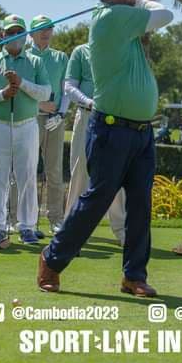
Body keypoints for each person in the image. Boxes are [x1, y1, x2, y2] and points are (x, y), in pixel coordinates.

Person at [38, 0, 173, 297]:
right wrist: (142, 3)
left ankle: (133, 276)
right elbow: (165, 14)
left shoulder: (121, 19)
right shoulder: (111, 17)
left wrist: (135, 1)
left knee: (139, 205)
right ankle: (51, 260)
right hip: (112, 129)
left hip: (140, 132)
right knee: (96, 200)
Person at [0, 14, 51, 245]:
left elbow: (45, 92)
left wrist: (21, 83)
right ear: (3, 35)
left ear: (26, 35)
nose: (14, 36)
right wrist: (3, 94)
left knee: (27, 176)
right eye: (10, 32)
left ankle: (27, 227)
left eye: (19, 32)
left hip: (26, 125)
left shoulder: (35, 62)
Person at [64, 42, 126, 245]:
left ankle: (121, 229)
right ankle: (72, 229)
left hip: (116, 118)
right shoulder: (81, 52)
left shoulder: (120, 49)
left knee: (116, 173)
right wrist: (88, 101)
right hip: (87, 115)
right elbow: (69, 87)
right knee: (80, 172)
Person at [26, 15, 69, 233]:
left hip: (55, 120)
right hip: (30, 118)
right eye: (41, 29)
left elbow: (66, 89)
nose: (46, 33)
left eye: (49, 28)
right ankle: (22, 218)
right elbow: (21, 90)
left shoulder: (60, 57)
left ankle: (56, 219)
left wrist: (61, 113)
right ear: (31, 34)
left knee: (54, 171)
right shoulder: (24, 57)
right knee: (26, 169)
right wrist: (38, 105)